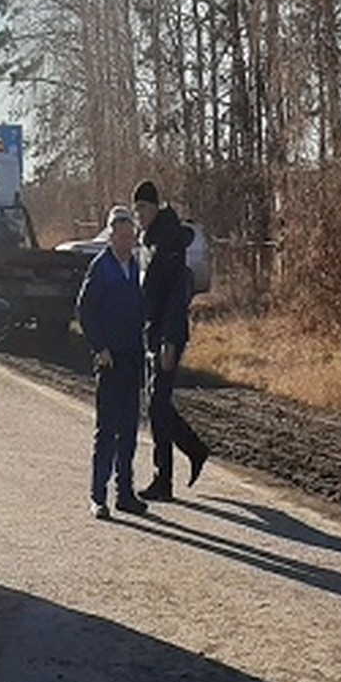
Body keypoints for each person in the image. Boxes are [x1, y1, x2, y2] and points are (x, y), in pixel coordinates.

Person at [132, 178, 210, 501]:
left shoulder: (168, 244)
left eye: (144, 208)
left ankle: (165, 477)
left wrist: (169, 340)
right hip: (153, 333)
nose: (140, 214)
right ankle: (192, 451)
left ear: (155, 207)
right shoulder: (148, 239)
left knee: (157, 404)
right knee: (155, 404)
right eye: (136, 209)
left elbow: (176, 298)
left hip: (168, 336)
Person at [75, 204, 149, 518]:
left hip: (133, 356)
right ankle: (98, 496)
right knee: (107, 429)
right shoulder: (101, 267)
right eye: (121, 237)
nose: (126, 242)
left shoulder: (134, 267)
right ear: (111, 237)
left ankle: (125, 493)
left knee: (129, 429)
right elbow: (85, 310)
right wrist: (99, 346)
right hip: (110, 360)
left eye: (131, 237)